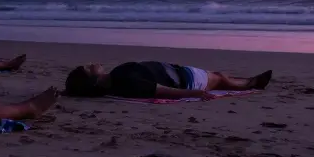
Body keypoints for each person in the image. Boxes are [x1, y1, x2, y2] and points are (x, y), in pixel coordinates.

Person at [64, 61, 272, 99]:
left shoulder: (117, 77)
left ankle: (244, 81)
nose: (92, 63)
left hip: (178, 72)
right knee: (219, 78)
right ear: (94, 79)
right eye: (89, 67)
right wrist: (196, 94)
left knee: (218, 76)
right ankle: (249, 84)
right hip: (186, 80)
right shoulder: (126, 82)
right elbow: (161, 91)